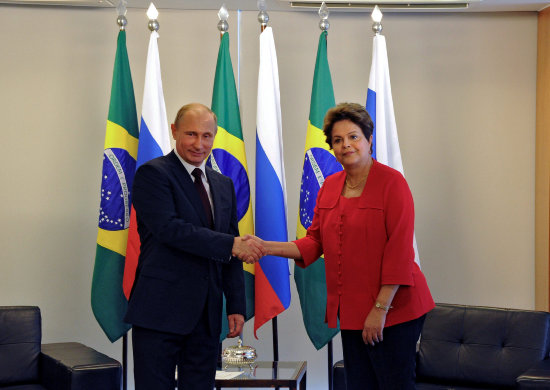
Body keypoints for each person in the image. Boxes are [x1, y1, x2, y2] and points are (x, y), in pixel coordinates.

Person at [247, 102, 434, 389]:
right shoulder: (330, 186)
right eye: (338, 140)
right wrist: (264, 246)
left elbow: (399, 252)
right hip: (351, 311)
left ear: (369, 140)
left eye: (353, 137)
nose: (346, 144)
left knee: (393, 384)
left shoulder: (392, 183)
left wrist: (380, 310)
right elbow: (313, 243)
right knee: (359, 384)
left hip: (395, 308)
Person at [124, 103, 264, 390]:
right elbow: (171, 230)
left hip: (206, 315)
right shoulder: (153, 174)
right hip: (159, 312)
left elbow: (232, 249)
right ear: (174, 132)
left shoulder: (224, 184)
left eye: (206, 136)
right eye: (191, 134)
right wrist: (231, 245)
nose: (199, 144)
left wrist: (236, 305)